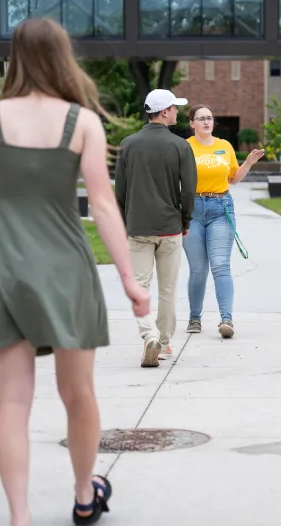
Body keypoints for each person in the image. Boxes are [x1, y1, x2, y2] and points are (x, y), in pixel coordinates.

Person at [0, 18, 150, 526]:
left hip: (10, 269)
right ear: (63, 57)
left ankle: (20, 516)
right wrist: (129, 278)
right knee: (79, 394)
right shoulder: (81, 121)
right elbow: (103, 206)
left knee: (12, 403)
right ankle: (86, 495)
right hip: (67, 270)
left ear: (15, 58)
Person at [115, 89, 197, 367]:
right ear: (164, 112)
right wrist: (185, 220)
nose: (177, 112)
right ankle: (162, 341)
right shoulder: (181, 146)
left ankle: (149, 335)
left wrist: (126, 220)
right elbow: (188, 191)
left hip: (138, 226)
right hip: (170, 227)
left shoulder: (128, 144)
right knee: (167, 288)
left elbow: (121, 191)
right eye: (175, 108)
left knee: (140, 286)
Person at [183, 104, 265, 338]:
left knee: (220, 265)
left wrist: (248, 162)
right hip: (193, 210)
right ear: (192, 123)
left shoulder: (224, 146)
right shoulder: (185, 147)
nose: (206, 122)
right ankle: (195, 317)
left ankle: (226, 319)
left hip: (220, 208)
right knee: (198, 269)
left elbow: (234, 178)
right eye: (201, 118)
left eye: (209, 118)